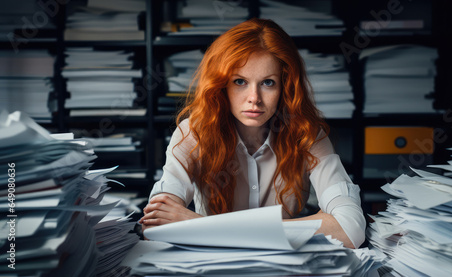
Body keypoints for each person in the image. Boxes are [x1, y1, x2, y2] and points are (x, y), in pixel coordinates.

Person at [139, 18, 366, 249]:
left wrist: (199, 224)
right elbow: (155, 227)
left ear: (285, 87)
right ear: (221, 85)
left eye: (268, 82)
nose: (254, 98)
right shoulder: (193, 133)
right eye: (240, 81)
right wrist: (284, 230)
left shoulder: (307, 134)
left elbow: (351, 228)